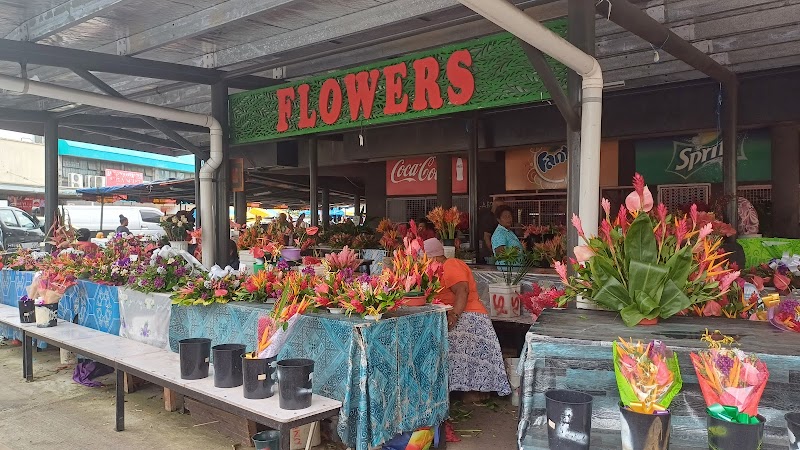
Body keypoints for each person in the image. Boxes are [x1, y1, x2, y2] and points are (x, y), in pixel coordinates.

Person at [424, 238, 511, 399]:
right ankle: (462, 391)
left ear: (432, 256)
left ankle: (472, 392)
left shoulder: (450, 265)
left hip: (469, 317)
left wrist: (454, 316)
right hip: (461, 315)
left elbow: (462, 291)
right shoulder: (437, 269)